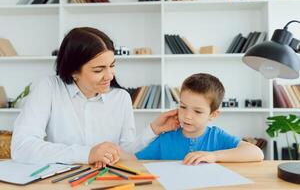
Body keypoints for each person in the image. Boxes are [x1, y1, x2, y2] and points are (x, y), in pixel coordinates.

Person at [11, 27, 179, 166]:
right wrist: (88, 154)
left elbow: (123, 150)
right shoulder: (49, 88)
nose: (110, 76)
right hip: (58, 182)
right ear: (73, 71)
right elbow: (21, 147)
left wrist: (153, 130)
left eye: (112, 66)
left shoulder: (121, 98)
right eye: (99, 70)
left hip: (105, 180)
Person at [135, 73, 264, 164]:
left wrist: (214, 156)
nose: (187, 116)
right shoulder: (166, 138)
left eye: (197, 111)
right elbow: (136, 160)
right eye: (183, 107)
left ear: (213, 115)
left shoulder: (216, 136)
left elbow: (257, 153)